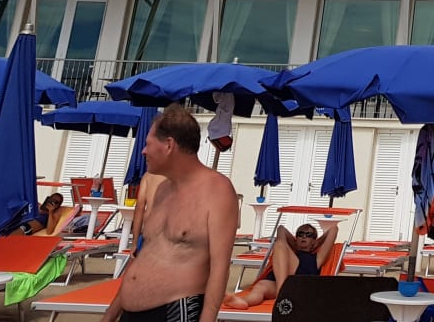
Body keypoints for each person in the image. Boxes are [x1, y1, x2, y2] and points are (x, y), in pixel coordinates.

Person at [103, 104, 238, 322]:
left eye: (148, 144)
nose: (143, 151)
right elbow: (145, 255)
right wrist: (110, 315)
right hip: (130, 313)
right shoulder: (162, 189)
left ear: (168, 145)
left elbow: (220, 269)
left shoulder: (217, 190)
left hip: (177, 311)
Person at [222, 220, 339, 309]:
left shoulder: (317, 258)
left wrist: (318, 242)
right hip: (279, 284)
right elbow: (281, 229)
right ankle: (245, 302)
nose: (304, 236)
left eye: (309, 235)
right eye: (300, 234)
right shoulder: (287, 254)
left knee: (279, 244)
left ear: (314, 240)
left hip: (298, 285)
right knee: (261, 286)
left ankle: (282, 294)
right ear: (295, 239)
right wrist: (295, 244)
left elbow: (334, 229)